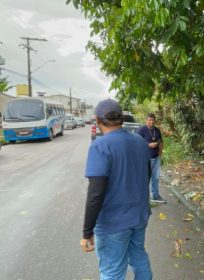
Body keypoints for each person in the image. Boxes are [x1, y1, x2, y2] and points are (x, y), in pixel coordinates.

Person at [80, 99, 152, 280]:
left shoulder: (100, 146)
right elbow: (146, 177)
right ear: (121, 119)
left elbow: (96, 194)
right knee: (139, 258)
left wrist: (87, 232)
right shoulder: (140, 142)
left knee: (112, 271)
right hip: (139, 216)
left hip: (113, 222)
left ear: (97, 120)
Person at [137, 113, 166, 203]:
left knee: (156, 177)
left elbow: (160, 142)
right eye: (149, 120)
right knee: (145, 178)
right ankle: (143, 197)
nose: (151, 122)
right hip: (145, 158)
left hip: (156, 157)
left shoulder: (157, 130)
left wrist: (160, 154)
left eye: (153, 120)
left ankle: (155, 196)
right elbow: (137, 143)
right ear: (146, 120)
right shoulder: (141, 130)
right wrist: (148, 145)